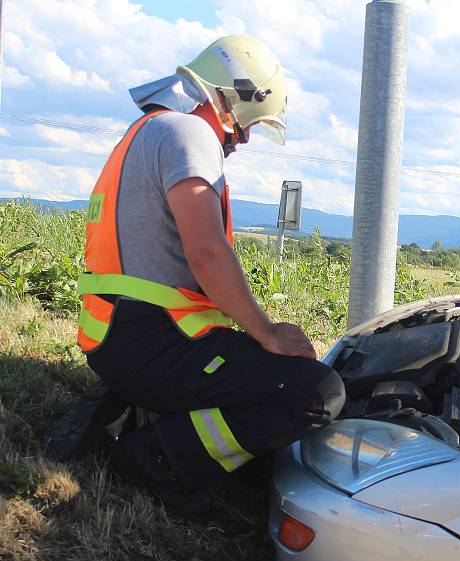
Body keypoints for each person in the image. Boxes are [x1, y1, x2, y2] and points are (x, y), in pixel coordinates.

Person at [76, 35, 345, 518]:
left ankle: (173, 440)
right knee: (316, 392)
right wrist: (266, 332)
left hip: (119, 339)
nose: (241, 140)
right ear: (234, 97)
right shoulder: (189, 133)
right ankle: (154, 459)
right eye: (249, 125)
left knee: (258, 381)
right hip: (151, 340)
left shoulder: (147, 131)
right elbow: (206, 250)